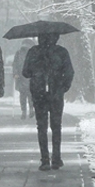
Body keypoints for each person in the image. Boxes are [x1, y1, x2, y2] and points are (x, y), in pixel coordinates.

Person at [22, 32, 74, 171]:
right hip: (56, 93)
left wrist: (37, 73)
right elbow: (69, 72)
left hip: (39, 93)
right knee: (56, 126)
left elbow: (25, 72)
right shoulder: (61, 52)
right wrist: (63, 87)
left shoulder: (33, 51)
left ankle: (45, 160)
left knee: (41, 126)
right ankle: (56, 159)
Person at [12, 39, 35, 120]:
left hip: (24, 77)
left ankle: (26, 110)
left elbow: (15, 64)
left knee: (24, 95)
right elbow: (15, 64)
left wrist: (15, 73)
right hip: (26, 77)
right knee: (29, 95)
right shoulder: (20, 53)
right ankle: (28, 110)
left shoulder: (19, 53)